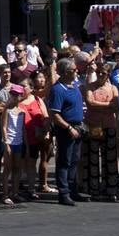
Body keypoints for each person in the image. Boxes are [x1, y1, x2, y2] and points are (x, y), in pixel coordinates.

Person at [48, 58, 86, 206]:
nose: (76, 72)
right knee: (64, 160)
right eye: (73, 70)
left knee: (75, 160)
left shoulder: (74, 85)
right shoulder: (58, 89)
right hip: (66, 129)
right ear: (64, 73)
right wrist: (68, 128)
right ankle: (63, 193)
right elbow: (55, 114)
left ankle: (72, 189)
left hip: (78, 126)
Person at [82, 62, 119, 202]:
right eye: (98, 72)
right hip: (94, 125)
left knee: (110, 158)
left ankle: (110, 189)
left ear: (108, 74)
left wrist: (103, 106)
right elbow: (89, 102)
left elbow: (116, 106)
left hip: (109, 125)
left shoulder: (113, 88)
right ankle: (93, 189)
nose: (100, 75)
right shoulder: (90, 87)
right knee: (92, 158)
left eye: (103, 73)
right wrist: (108, 105)